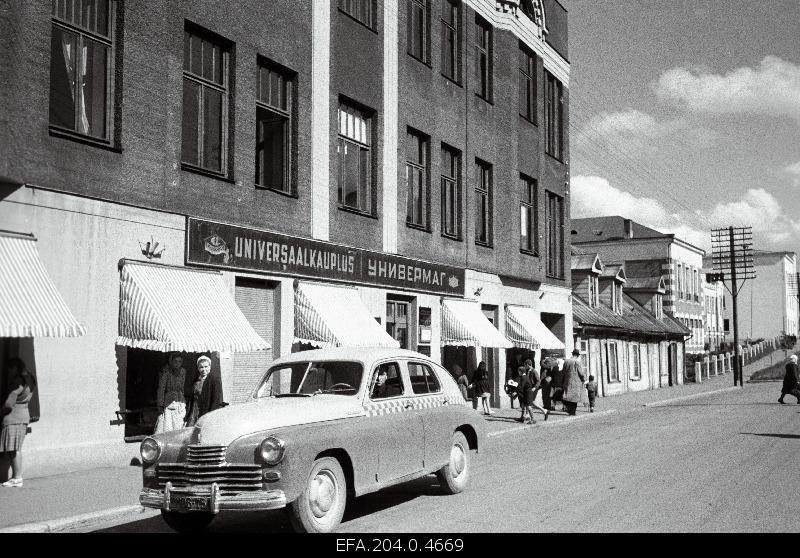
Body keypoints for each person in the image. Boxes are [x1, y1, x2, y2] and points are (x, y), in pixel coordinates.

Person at [1, 359, 36, 487]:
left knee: (14, 449)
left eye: (10, 369)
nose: (9, 372)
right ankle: (16, 477)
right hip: (23, 415)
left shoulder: (17, 382)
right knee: (15, 448)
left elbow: (9, 404)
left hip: (14, 417)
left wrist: (0, 413)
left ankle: (17, 477)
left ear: (15, 368)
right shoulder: (30, 379)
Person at [185, 356, 224, 427]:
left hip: (206, 411)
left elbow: (216, 400)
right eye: (201, 367)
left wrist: (210, 416)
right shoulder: (196, 380)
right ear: (198, 368)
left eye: (206, 366)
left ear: (210, 367)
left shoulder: (214, 380)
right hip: (195, 410)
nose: (204, 369)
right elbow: (192, 399)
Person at [153, 353, 187, 434]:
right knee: (168, 424)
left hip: (180, 400)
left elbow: (182, 387)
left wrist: (183, 399)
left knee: (179, 423)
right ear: (171, 361)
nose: (177, 364)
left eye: (179, 362)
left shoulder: (183, 371)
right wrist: (160, 404)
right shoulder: (166, 372)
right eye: (175, 361)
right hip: (169, 400)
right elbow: (161, 388)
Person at [517, 359, 550, 424]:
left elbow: (538, 380)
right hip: (529, 388)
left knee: (530, 402)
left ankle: (531, 415)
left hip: (533, 389)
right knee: (530, 402)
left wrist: (534, 388)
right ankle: (542, 411)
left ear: (527, 365)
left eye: (525, 365)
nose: (524, 366)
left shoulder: (534, 371)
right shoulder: (527, 371)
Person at [561, 349, 586, 416]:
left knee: (568, 396)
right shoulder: (577, 362)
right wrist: (583, 379)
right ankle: (572, 412)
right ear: (577, 355)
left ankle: (569, 410)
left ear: (572, 354)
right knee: (574, 397)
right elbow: (581, 373)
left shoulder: (566, 361)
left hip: (567, 381)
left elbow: (563, 372)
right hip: (575, 382)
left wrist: (563, 380)